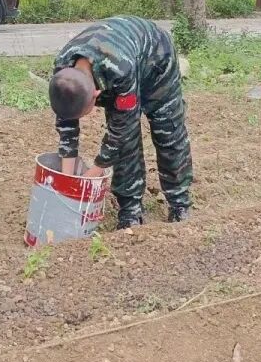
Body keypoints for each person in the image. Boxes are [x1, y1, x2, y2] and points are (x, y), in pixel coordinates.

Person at [49, 16, 193, 229]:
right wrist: (68, 182)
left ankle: (179, 202)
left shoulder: (119, 70)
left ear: (97, 94)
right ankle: (130, 209)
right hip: (117, 62)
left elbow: (122, 130)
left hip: (156, 59)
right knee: (127, 146)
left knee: (166, 130)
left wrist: (92, 174)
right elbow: (67, 125)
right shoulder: (64, 74)